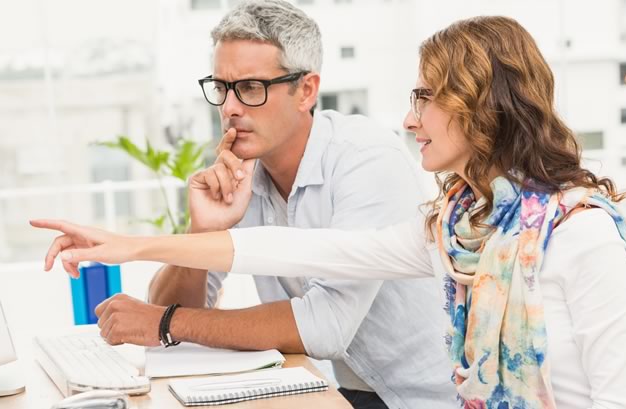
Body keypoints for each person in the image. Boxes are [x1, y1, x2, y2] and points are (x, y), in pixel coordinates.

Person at [32, 15, 626, 409]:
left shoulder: (582, 236)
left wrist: (156, 296)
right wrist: (132, 244)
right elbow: (309, 250)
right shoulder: (459, 227)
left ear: (483, 108)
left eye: (425, 98)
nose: (409, 121)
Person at [45, 1, 456, 408]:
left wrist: (167, 321)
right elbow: (165, 316)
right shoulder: (241, 174)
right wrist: (201, 231)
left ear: (306, 91)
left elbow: (325, 326)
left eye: (250, 88)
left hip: (430, 399)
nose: (229, 108)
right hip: (347, 392)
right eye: (222, 88)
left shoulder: (365, 157)